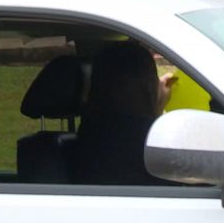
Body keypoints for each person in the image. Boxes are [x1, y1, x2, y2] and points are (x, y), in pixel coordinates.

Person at [73, 41, 176, 185]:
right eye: (152, 77)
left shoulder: (93, 130)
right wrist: (156, 108)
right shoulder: (132, 136)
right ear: (143, 84)